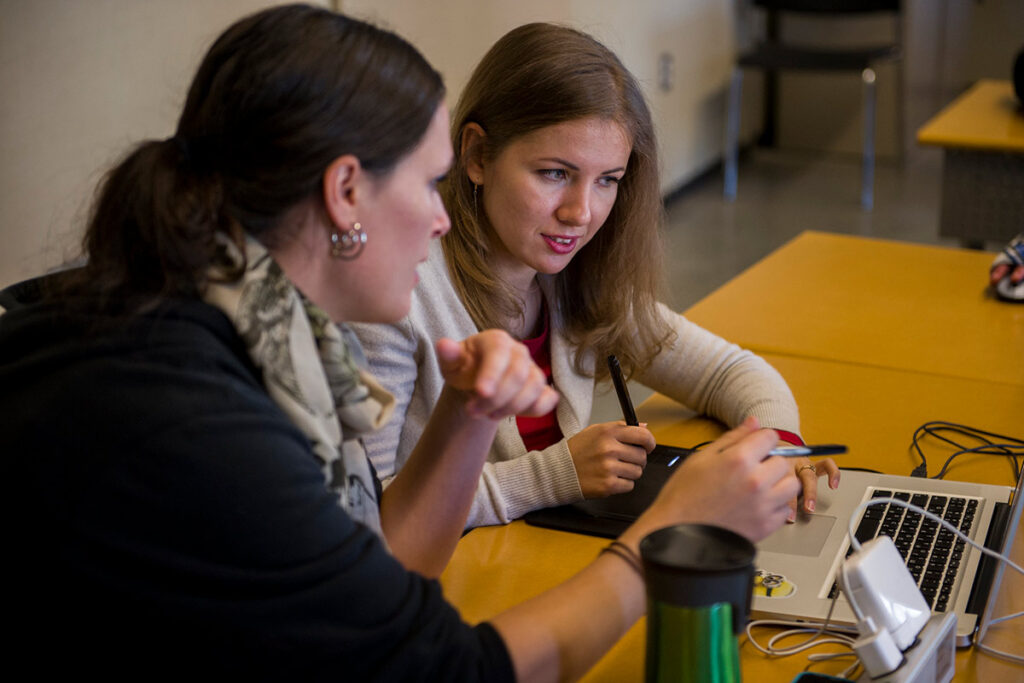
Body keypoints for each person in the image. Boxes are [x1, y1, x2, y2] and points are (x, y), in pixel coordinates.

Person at [0, 6, 801, 680]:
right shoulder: (206, 421)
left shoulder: (262, 335)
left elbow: (387, 563)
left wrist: (465, 410)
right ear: (346, 192)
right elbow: (446, 669)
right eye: (428, 183)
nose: (442, 215)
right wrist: (663, 539)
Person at [352, 22, 839, 529]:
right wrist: (551, 476)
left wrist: (780, 449)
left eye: (608, 180)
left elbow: (730, 373)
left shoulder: (576, 277)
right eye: (555, 174)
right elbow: (369, 515)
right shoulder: (397, 299)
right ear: (477, 157)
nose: (581, 213)